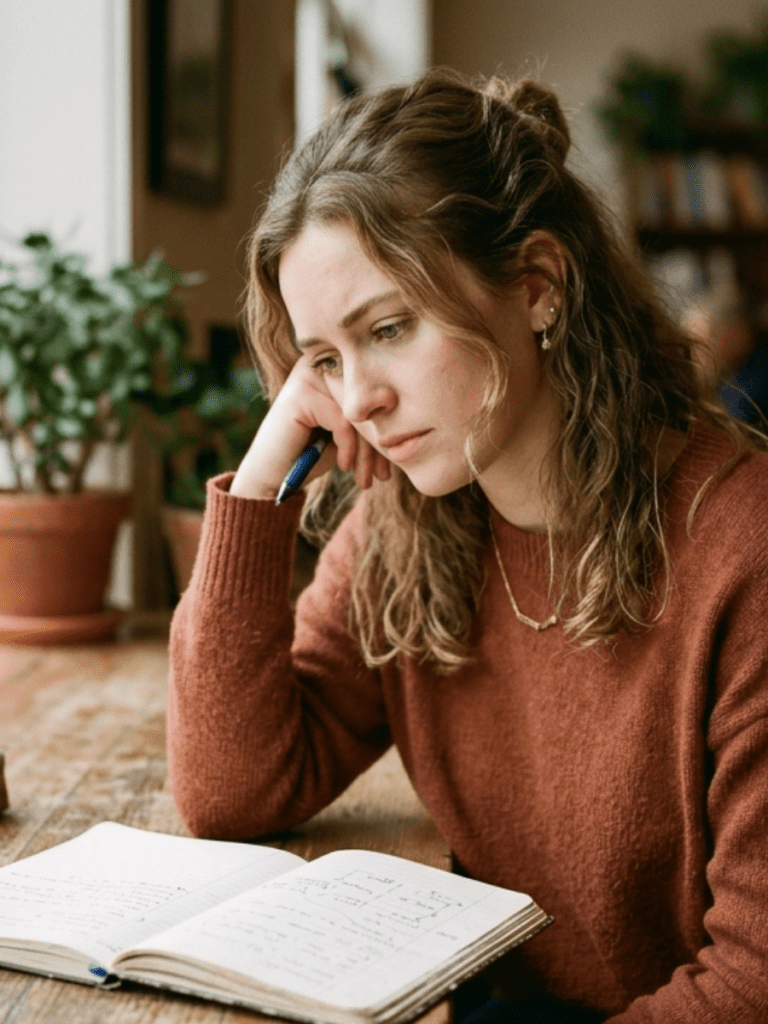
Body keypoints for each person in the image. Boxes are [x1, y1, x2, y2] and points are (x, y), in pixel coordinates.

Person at [167, 68, 768, 1022]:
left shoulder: (743, 550)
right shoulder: (403, 529)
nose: (359, 398)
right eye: (324, 359)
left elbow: (753, 982)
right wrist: (258, 480)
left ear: (537, 287)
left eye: (389, 328)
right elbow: (230, 789)